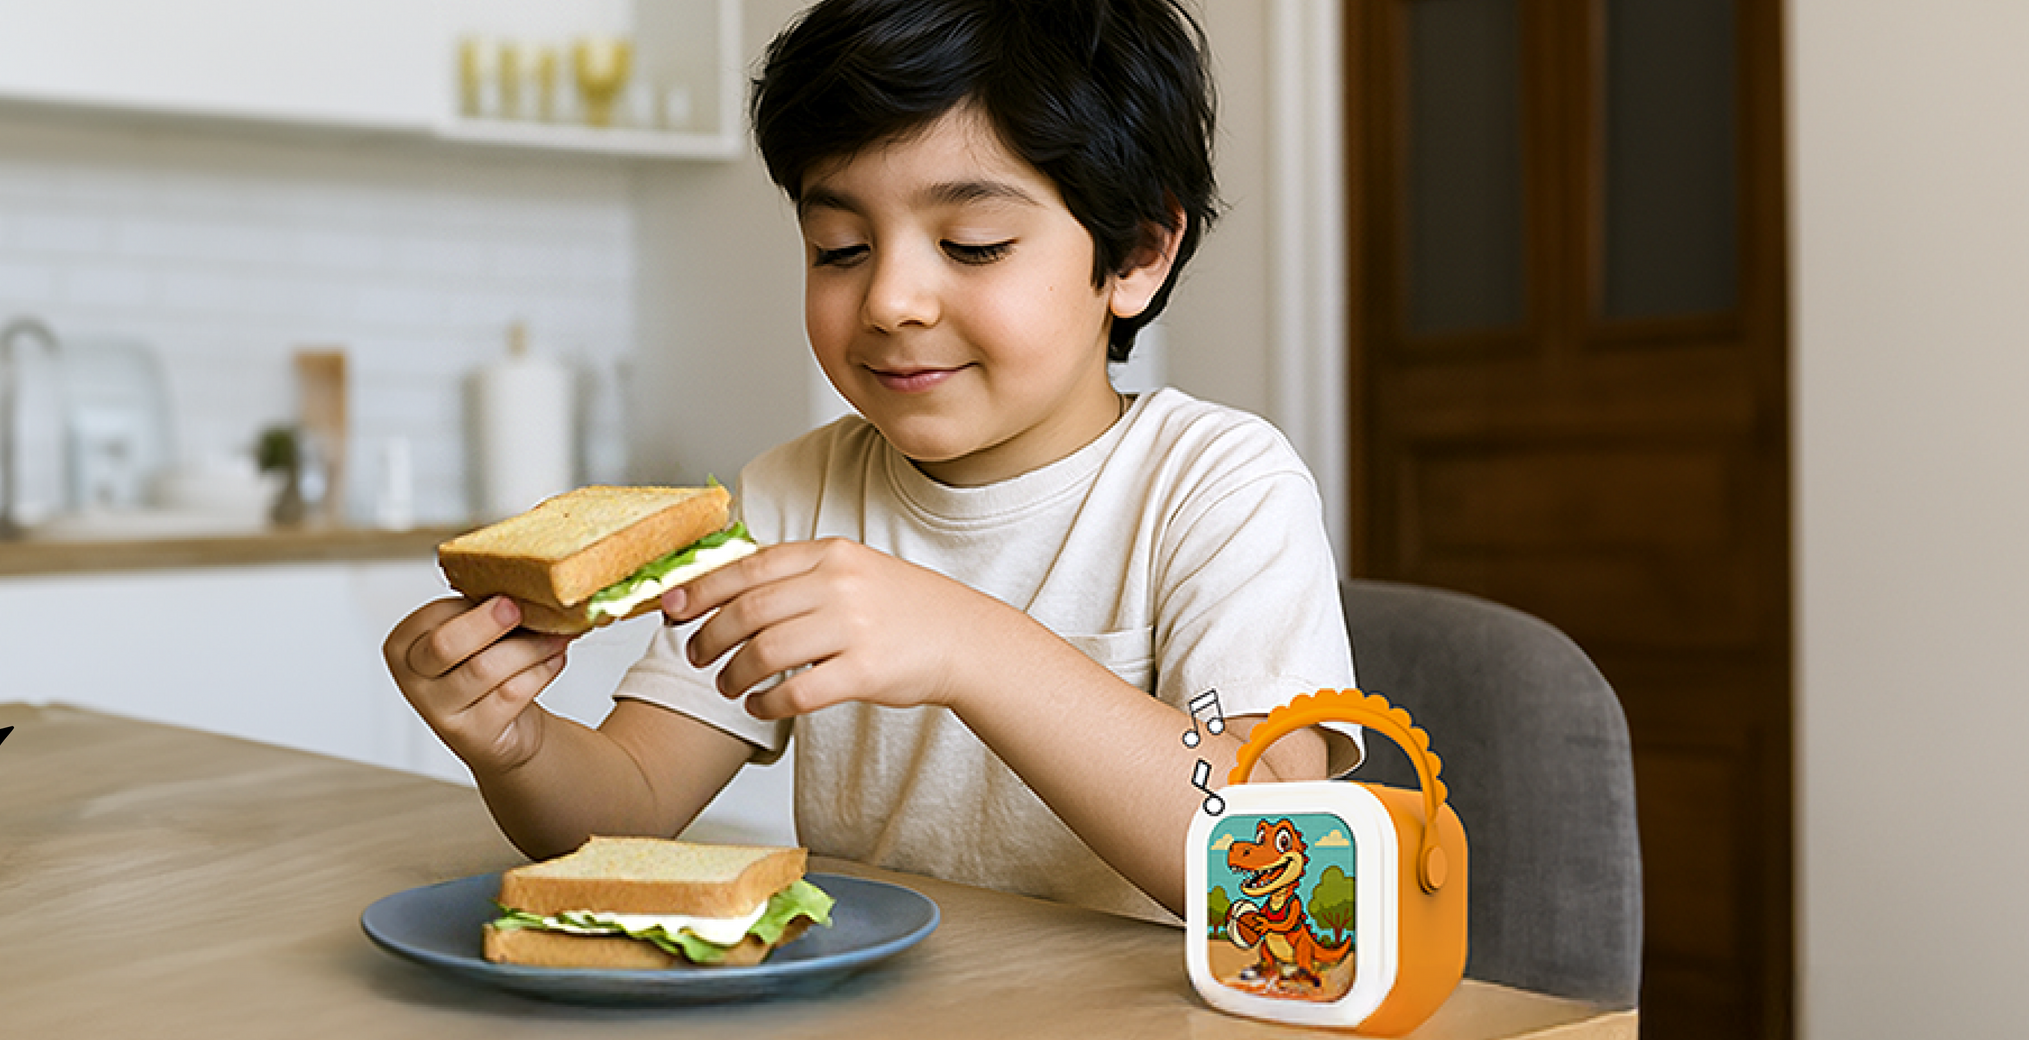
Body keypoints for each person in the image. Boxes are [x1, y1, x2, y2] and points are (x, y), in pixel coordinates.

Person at [383, 0, 1355, 923]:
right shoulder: (792, 493)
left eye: (972, 245)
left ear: (1137, 254)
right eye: (839, 246)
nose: (890, 298)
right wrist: (515, 748)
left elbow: (1279, 858)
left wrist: (969, 644)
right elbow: (627, 809)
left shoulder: (1220, 487)